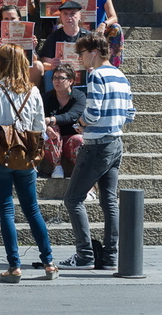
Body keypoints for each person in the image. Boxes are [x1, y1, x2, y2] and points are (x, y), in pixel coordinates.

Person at [0, 44, 58, 282]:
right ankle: (49, 263)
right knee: (32, 208)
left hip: (0, 155)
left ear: (1, 64)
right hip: (25, 156)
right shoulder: (33, 91)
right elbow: (38, 128)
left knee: (6, 209)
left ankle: (14, 266)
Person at [58, 33, 135, 271]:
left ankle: (85, 254)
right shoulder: (121, 75)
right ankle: (110, 255)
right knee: (109, 202)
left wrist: (81, 123)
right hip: (116, 142)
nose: (80, 59)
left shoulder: (96, 75)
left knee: (72, 199)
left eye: (81, 54)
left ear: (93, 52)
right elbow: (131, 113)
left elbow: (93, 113)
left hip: (97, 144)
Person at [41, 64, 86, 178]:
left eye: (61, 78)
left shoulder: (79, 97)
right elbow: (38, 118)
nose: (57, 81)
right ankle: (57, 166)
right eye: (54, 78)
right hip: (53, 140)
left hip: (72, 138)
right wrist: (46, 126)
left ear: (70, 81)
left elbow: (72, 115)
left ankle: (82, 175)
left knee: (79, 140)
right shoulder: (46, 98)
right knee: (51, 129)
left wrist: (50, 120)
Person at [74, 0, 124, 67]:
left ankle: (114, 65)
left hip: (98, 32)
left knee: (116, 28)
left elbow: (113, 17)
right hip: (79, 31)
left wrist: (104, 24)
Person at [0, 5, 44, 86]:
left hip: (22, 67)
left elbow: (33, 59)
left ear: (19, 19)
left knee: (38, 65)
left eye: (13, 18)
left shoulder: (28, 33)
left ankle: (28, 94)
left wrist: (32, 49)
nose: (10, 22)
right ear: (1, 21)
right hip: (4, 67)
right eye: (6, 19)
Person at [39, 0, 90, 78]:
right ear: (61, 17)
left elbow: (99, 60)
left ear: (80, 16)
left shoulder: (88, 36)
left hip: (83, 74)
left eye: (72, 14)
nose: (69, 17)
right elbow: (44, 62)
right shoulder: (53, 37)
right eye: (65, 14)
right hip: (61, 76)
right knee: (49, 74)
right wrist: (51, 66)